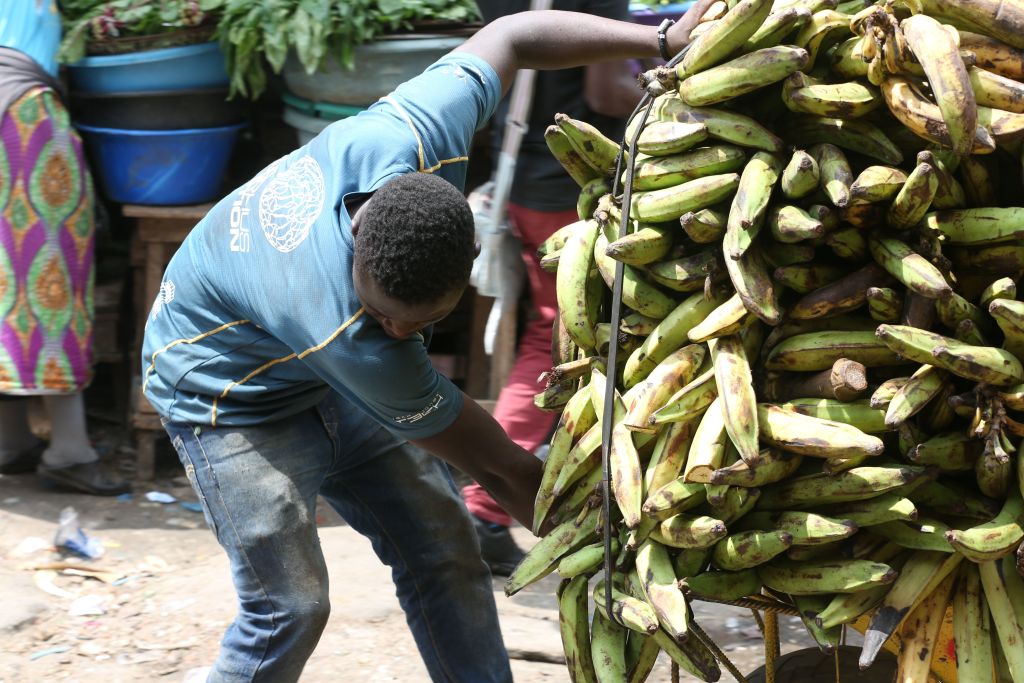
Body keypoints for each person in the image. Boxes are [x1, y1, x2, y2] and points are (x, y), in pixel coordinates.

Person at [141, 8, 709, 682]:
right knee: (289, 609)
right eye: (387, 317)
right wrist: (616, 549)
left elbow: (514, 35)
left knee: (447, 551)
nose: (401, 334)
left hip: (311, 365)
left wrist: (660, 39)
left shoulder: (416, 131)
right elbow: (502, 468)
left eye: (421, 322)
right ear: (358, 251)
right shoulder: (355, 338)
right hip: (223, 392)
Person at [463, 0, 643, 576]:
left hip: (525, 173)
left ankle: (489, 504)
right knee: (559, 339)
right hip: (573, 186)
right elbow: (608, 93)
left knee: (559, 337)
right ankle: (484, 507)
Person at [0, 0, 129, 496]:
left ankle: (12, 441)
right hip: (23, 115)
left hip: (16, 108)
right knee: (49, 274)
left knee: (11, 277)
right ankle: (69, 451)